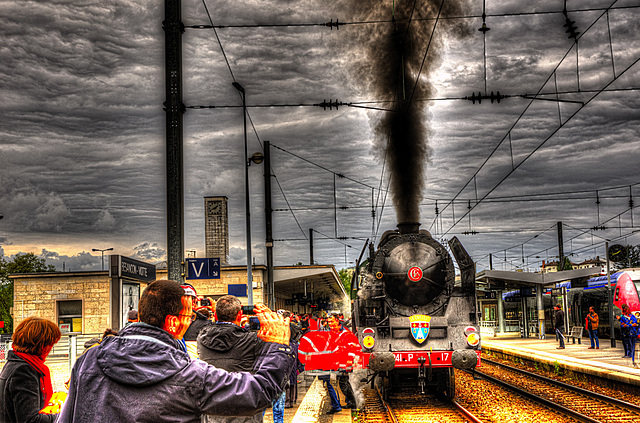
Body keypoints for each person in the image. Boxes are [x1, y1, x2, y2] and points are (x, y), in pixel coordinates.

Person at [58, 279, 294, 423]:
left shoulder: (89, 359)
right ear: (172, 323)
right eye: (189, 317)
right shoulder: (189, 374)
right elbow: (257, 392)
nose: (191, 322)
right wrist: (276, 345)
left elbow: (66, 418)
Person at [197, 294, 266, 423]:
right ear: (240, 315)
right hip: (245, 409)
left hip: (213, 409)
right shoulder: (252, 340)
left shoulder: (202, 338)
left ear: (215, 316)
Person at [0, 316, 62, 423]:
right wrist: (63, 416)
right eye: (51, 344)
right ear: (41, 345)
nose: (51, 349)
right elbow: (31, 420)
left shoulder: (14, 363)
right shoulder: (24, 370)